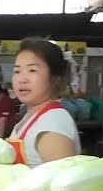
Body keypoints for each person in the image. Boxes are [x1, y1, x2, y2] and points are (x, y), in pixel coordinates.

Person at [7, 38, 81, 166]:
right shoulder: (34, 115)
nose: (22, 79)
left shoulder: (52, 125)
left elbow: (63, 178)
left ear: (55, 78)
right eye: (17, 71)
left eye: (32, 70)